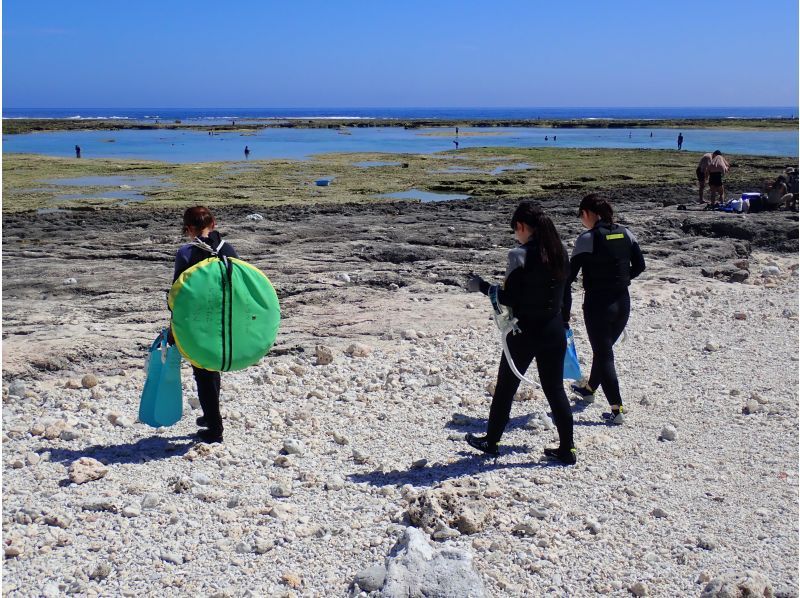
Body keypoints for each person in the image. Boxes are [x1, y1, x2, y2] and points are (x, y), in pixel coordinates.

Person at [464, 201, 575, 465]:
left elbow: (508, 297)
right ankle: (567, 449)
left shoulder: (519, 255)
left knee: (506, 387)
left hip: (524, 331)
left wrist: (481, 286)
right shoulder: (560, 252)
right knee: (555, 389)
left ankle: (491, 442)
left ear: (523, 226)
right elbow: (567, 293)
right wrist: (566, 322)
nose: (516, 235)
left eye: (516, 229)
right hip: (554, 328)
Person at [565, 194, 645, 425]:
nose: (581, 219)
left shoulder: (587, 239)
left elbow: (569, 277)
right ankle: (589, 389)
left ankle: (616, 409)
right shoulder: (626, 233)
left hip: (598, 305)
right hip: (622, 302)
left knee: (604, 354)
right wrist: (619, 279)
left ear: (589, 213)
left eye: (581, 215)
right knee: (604, 349)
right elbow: (640, 266)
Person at [171, 206, 239, 443]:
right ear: (215, 223)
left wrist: (174, 325)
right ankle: (211, 416)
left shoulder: (186, 253)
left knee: (202, 371)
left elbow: (178, 294)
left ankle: (214, 428)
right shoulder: (228, 249)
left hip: (197, 321)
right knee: (212, 368)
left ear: (189, 229)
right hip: (224, 319)